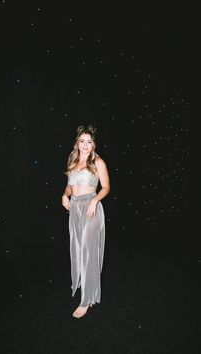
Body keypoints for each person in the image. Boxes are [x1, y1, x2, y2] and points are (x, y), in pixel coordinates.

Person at [62, 125, 110, 318]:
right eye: (82, 141)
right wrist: (64, 196)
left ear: (94, 144)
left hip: (91, 208)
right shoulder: (72, 160)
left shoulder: (98, 162)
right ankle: (84, 285)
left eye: (89, 142)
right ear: (77, 143)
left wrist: (94, 200)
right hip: (74, 208)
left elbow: (106, 187)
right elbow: (69, 187)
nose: (85, 145)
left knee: (89, 253)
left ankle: (86, 300)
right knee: (77, 248)